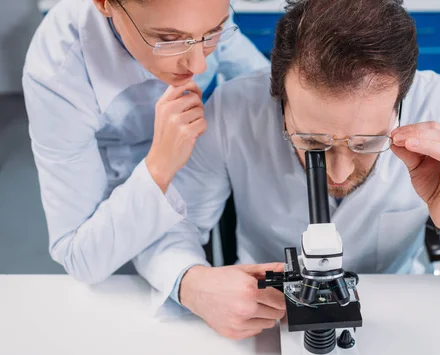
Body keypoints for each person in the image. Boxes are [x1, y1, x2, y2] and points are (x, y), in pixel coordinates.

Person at [136, 0, 440, 340]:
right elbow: (163, 225)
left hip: (395, 315)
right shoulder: (234, 108)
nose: (337, 172)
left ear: (402, 100)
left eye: (366, 142)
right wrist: (190, 282)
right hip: (266, 317)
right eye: (311, 142)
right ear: (278, 94)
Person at [22, 0, 269, 298]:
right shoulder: (56, 71)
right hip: (117, 195)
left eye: (214, 31)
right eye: (168, 40)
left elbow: (265, 84)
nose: (198, 66)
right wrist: (160, 165)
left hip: (198, 164)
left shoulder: (198, 18)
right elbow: (80, 257)